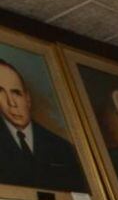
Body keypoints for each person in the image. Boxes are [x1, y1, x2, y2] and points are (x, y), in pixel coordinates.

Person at [0, 59, 87, 192]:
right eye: (1, 92)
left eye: (16, 93)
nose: (12, 103)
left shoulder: (64, 148)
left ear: (27, 99)